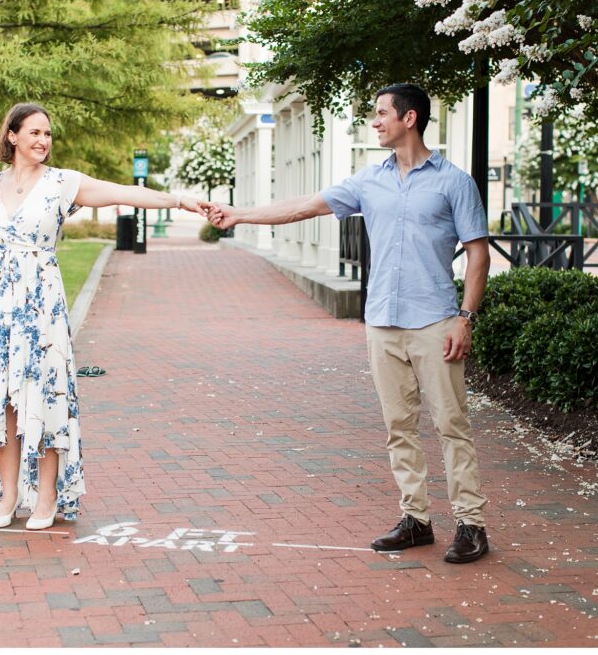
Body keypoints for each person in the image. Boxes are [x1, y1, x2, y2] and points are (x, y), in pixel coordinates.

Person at [207, 83, 491, 563]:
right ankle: (416, 520)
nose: (375, 122)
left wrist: (465, 318)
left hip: (436, 321)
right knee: (398, 426)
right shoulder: (369, 181)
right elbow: (302, 206)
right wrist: (240, 215)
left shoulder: (454, 182)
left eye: (382, 114)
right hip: (382, 321)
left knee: (450, 424)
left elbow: (479, 255)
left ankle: (471, 524)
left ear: (410, 118)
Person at [0, 102, 209, 530]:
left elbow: (123, 192)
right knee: (2, 399)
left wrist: (179, 201)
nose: (43, 141)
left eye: (48, 134)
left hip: (39, 306)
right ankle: (8, 496)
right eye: (35, 132)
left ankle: (47, 495)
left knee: (43, 396)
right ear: (12, 136)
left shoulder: (62, 184)